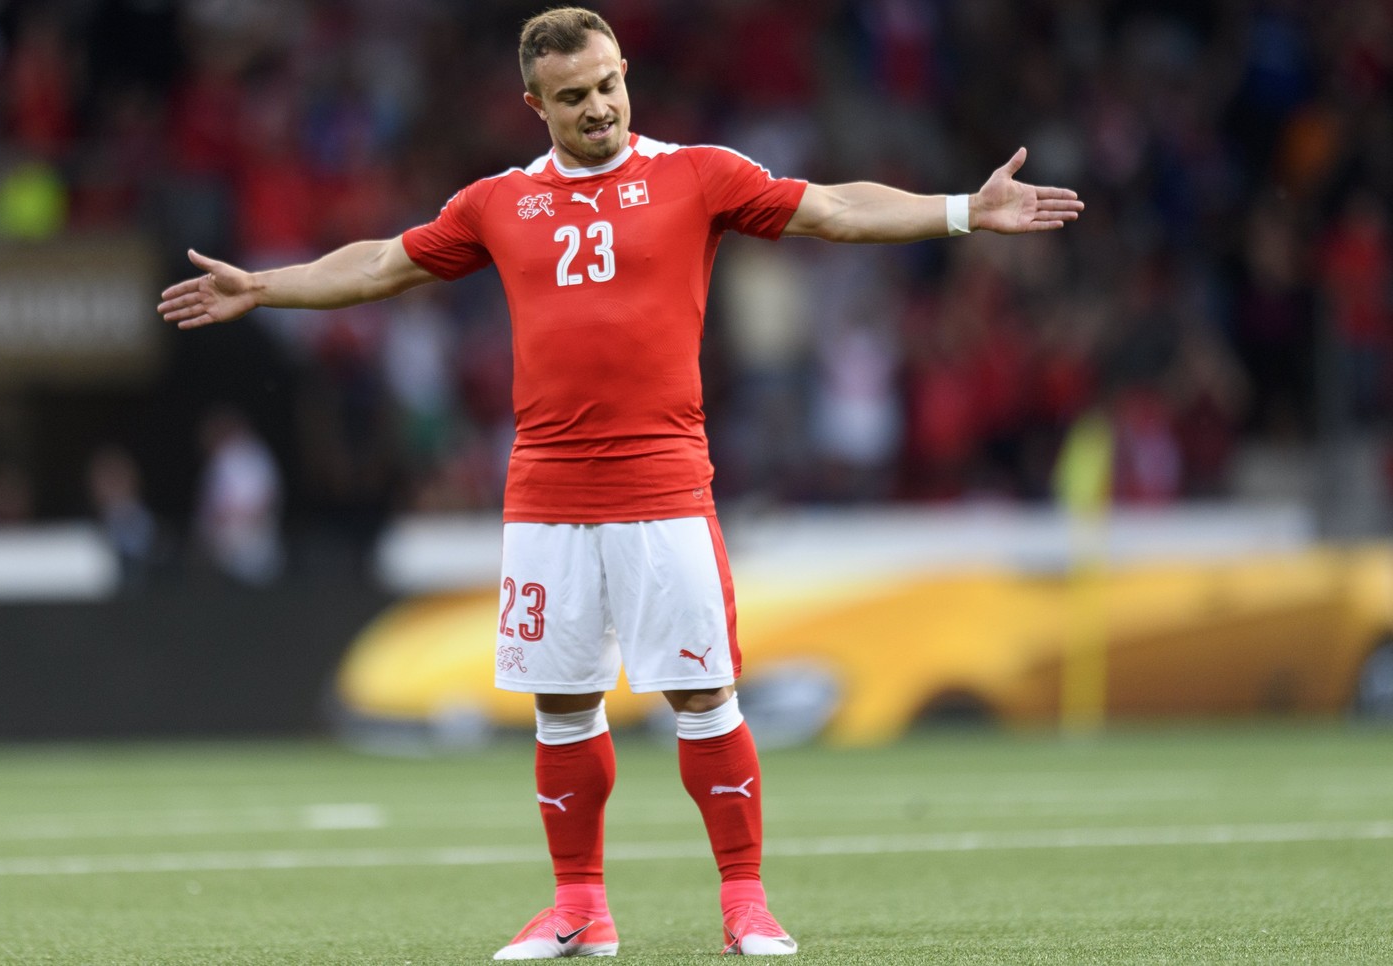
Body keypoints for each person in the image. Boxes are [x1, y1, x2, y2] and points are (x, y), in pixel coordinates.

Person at [159, 7, 1081, 958]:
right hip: (546, 495)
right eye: (572, 97)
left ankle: (745, 903)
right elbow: (383, 264)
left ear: (624, 73)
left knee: (704, 696)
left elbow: (834, 209)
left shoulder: (696, 174)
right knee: (561, 708)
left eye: (607, 86)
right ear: (535, 104)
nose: (597, 108)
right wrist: (265, 286)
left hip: (665, 486)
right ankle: (579, 910)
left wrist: (967, 210)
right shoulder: (497, 203)